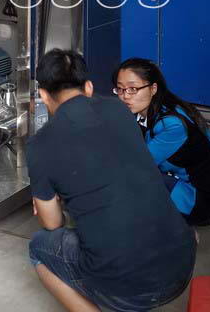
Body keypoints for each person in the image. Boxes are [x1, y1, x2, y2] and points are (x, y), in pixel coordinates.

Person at [27, 49, 196, 312]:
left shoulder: (40, 145)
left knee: (38, 247)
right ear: (89, 87)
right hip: (183, 266)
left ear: (43, 95)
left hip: (127, 292)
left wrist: (50, 199)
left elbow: (52, 223)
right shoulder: (118, 109)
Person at [113, 58, 210, 226]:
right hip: (195, 182)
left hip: (201, 200)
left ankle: (190, 227)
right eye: (120, 89)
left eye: (133, 89)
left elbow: (136, 163)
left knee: (131, 180)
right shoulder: (154, 108)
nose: (125, 96)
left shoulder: (171, 124)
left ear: (153, 88)